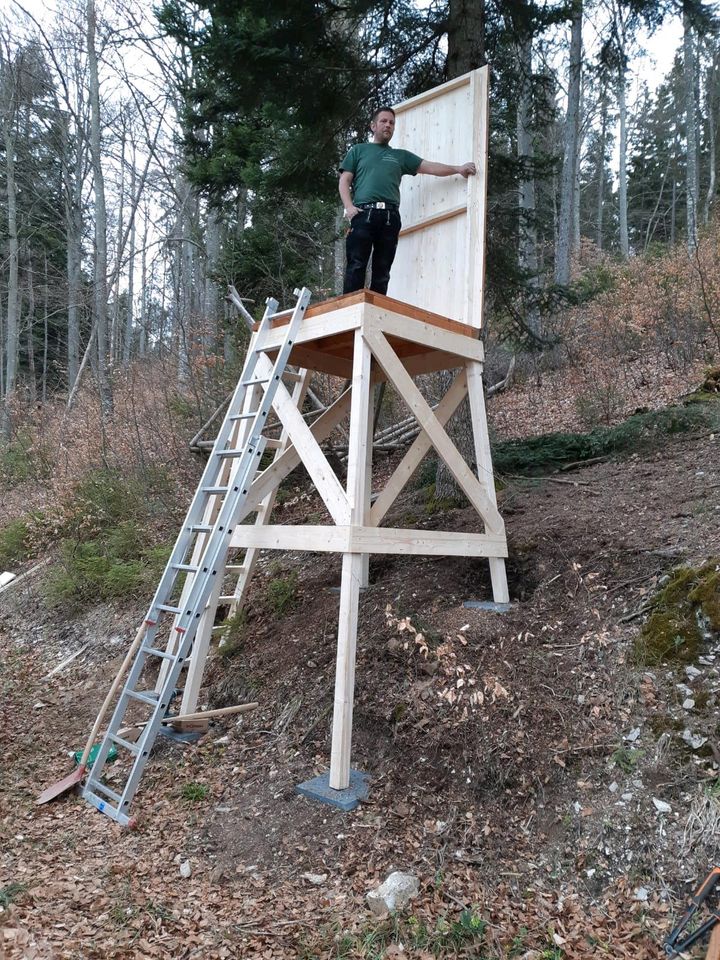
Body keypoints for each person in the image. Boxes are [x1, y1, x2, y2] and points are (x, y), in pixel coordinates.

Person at [339, 106, 477, 296]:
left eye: (392, 123)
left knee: (382, 271)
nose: (388, 125)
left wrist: (458, 168)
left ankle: (377, 315)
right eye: (384, 121)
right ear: (373, 126)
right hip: (363, 214)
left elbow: (430, 167)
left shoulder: (400, 156)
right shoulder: (358, 150)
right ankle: (349, 316)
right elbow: (344, 181)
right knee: (356, 265)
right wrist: (349, 207)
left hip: (390, 218)